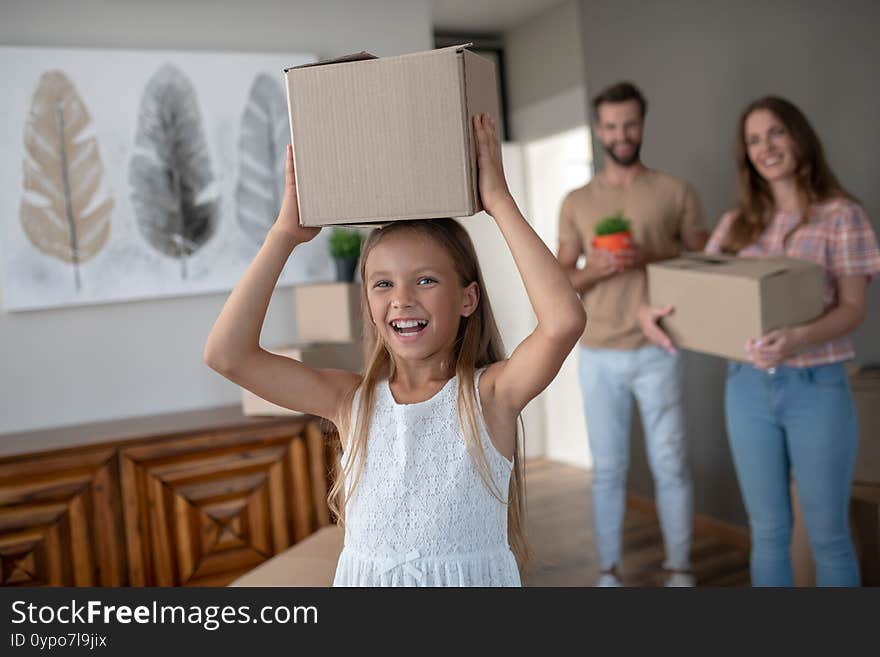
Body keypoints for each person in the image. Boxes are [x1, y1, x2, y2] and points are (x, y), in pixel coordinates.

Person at [204, 114, 586, 586]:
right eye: (383, 284)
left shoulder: (490, 395)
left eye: (425, 280)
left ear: (468, 298)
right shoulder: (350, 402)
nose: (402, 299)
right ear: (367, 301)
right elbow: (227, 354)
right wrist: (284, 237)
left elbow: (564, 321)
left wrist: (500, 203)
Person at [639, 96, 880, 586]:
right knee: (767, 532)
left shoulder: (842, 217)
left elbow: (853, 310)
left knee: (828, 534)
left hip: (817, 388)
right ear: (745, 155)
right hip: (746, 388)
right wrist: (653, 314)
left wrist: (799, 337)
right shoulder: (734, 226)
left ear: (798, 137)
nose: (766, 147)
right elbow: (697, 292)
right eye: (753, 140)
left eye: (776, 133)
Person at [557, 82, 708, 587]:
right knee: (608, 469)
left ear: (642, 124)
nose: (622, 134)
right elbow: (560, 279)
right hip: (599, 351)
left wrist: (650, 256)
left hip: (658, 347)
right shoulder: (578, 201)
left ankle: (680, 568)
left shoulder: (675, 191)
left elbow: (706, 262)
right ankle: (608, 573)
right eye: (612, 126)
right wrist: (596, 269)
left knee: (671, 463)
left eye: (630, 124)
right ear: (600, 130)